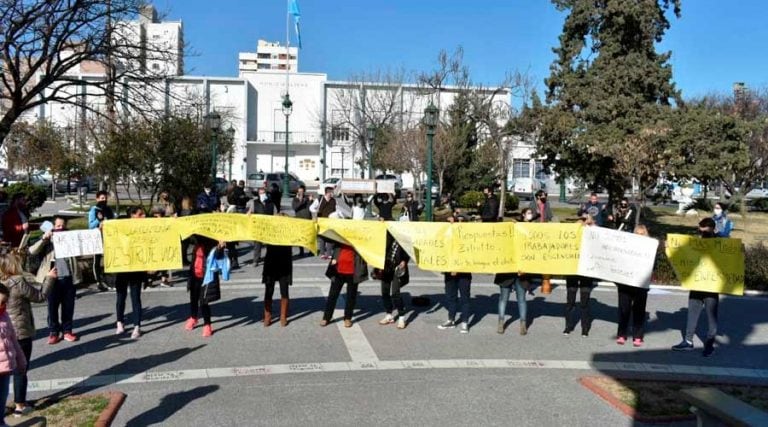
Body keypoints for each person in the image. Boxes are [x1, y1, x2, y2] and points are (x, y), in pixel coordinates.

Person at [0, 246, 55, 417]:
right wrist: (49, 279)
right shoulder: (18, 283)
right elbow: (40, 297)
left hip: (2, 331)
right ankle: (20, 405)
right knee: (20, 368)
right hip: (19, 331)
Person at [672, 217, 721, 357]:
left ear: (711, 228)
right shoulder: (695, 242)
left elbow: (731, 257)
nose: (700, 231)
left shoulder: (722, 242)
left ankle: (709, 344)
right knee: (692, 315)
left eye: (703, 228)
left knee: (712, 318)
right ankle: (688, 341)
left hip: (711, 287)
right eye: (699, 229)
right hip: (697, 284)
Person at [28, 216, 81, 344]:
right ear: (52, 227)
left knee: (68, 307)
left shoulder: (70, 237)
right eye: (58, 226)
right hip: (51, 279)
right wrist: (44, 239)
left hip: (69, 277)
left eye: (63, 225)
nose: (61, 228)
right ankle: (54, 332)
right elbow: (32, 251)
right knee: (52, 307)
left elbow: (81, 251)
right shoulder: (47, 239)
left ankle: (67, 331)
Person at [494, 208, 536, 336]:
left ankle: (523, 323)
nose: (530, 215)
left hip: (521, 270)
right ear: (523, 215)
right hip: (508, 269)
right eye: (528, 213)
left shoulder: (532, 230)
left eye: (531, 214)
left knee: (520, 298)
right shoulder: (512, 227)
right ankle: (501, 322)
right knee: (505, 298)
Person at [320, 230, 368, 328]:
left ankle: (347, 318)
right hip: (338, 270)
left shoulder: (359, 239)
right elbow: (326, 237)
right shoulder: (339, 237)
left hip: (353, 272)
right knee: (332, 295)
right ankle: (326, 317)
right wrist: (320, 225)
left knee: (351, 297)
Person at [615, 224, 652, 347]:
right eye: (637, 234)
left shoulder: (650, 248)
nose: (639, 236)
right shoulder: (626, 245)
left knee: (639, 311)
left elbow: (654, 264)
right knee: (624, 310)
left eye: (642, 234)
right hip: (625, 283)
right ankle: (621, 334)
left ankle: (637, 336)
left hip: (641, 284)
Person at [114, 206, 148, 339]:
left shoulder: (146, 227)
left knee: (136, 297)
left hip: (136, 268)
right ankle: (119, 322)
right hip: (122, 267)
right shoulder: (120, 224)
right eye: (140, 214)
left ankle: (137, 326)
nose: (143, 217)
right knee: (120, 297)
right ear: (132, 216)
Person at [437, 215, 472, 333]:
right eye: (457, 221)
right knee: (450, 296)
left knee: (464, 297)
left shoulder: (469, 238)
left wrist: (458, 267)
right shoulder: (448, 236)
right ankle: (451, 319)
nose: (459, 223)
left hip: (464, 272)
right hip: (449, 272)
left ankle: (465, 322)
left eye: (462, 221)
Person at [184, 235, 223, 337]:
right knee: (193, 299)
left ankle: (207, 324)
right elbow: (188, 239)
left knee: (203, 302)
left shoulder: (212, 244)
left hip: (206, 277)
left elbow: (219, 257)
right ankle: (193, 318)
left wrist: (220, 247)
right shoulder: (196, 242)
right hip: (194, 275)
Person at [0, 283, 27, 427]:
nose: (4, 306)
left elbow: (13, 340)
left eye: (5, 302)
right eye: (2, 302)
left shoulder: (5, 316)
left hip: (5, 368)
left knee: (2, 399)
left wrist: (21, 360)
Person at [564, 217, 596, 337]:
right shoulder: (570, 240)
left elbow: (599, 234)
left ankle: (585, 327)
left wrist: (591, 224)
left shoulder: (591, 239)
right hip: (572, 271)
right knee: (570, 300)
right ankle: (568, 326)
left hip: (586, 273)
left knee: (584, 301)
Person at [378, 232, 410, 329]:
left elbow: (409, 250)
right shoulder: (386, 237)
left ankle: (401, 316)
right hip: (386, 267)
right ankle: (389, 314)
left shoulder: (404, 238)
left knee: (395, 293)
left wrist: (404, 260)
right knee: (385, 292)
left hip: (398, 268)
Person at [89, 190, 116, 291]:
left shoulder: (109, 210)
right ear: (97, 199)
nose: (104, 200)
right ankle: (98, 281)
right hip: (97, 237)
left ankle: (110, 280)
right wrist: (98, 221)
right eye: (102, 198)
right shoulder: (94, 210)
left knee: (109, 258)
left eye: (105, 198)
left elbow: (113, 220)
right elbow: (90, 225)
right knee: (97, 259)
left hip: (109, 237)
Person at [262, 244, 293, 327]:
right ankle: (267, 316)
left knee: (284, 290)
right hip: (271, 260)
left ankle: (283, 316)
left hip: (284, 261)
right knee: (269, 290)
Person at [247, 187, 276, 266]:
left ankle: (271, 259)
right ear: (258, 194)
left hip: (268, 226)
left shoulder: (271, 203)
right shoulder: (254, 202)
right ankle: (256, 260)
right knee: (257, 244)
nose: (262, 195)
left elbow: (275, 214)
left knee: (270, 245)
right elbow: (250, 213)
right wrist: (249, 215)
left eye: (263, 193)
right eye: (260, 193)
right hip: (258, 227)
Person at [292, 185, 313, 256]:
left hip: (307, 219)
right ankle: (301, 251)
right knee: (300, 236)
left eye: (302, 191)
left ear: (304, 191)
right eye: (299, 191)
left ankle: (310, 250)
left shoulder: (307, 198)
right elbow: (295, 207)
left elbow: (311, 208)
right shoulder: (295, 199)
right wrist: (300, 201)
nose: (300, 192)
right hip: (299, 219)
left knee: (308, 236)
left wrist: (311, 201)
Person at [317, 187, 337, 259]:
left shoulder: (333, 200)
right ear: (327, 193)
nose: (332, 194)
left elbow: (334, 210)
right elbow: (316, 208)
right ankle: (322, 253)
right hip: (322, 220)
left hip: (330, 221)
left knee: (329, 236)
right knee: (322, 237)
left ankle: (329, 253)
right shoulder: (320, 199)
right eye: (331, 192)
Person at [178, 196, 195, 266]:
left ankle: (183, 259)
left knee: (184, 246)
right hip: (188, 230)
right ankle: (184, 260)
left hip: (182, 230)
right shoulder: (190, 211)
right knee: (185, 246)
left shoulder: (181, 211)